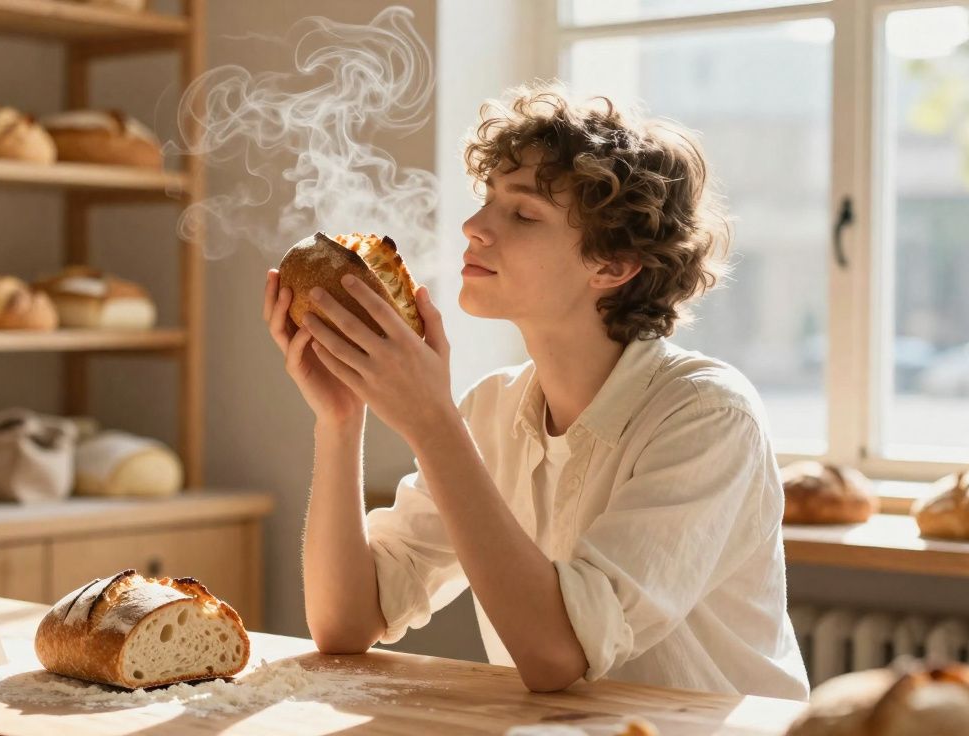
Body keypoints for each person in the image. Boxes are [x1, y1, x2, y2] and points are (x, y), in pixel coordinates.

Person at [261, 83, 810, 699]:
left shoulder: (708, 415)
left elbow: (558, 654)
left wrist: (432, 423)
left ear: (612, 265)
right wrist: (340, 422)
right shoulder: (493, 408)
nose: (473, 227)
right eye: (487, 200)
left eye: (522, 214)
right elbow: (346, 623)